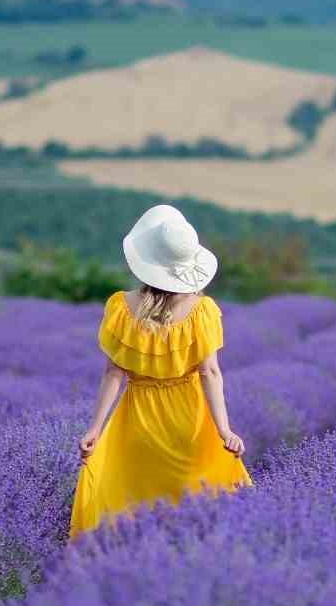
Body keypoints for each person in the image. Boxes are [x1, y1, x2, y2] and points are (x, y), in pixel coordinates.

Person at [67, 204, 251, 539]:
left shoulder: (121, 308)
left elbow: (113, 373)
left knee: (134, 504)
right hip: (189, 420)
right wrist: (224, 431)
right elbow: (210, 373)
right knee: (195, 508)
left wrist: (95, 429)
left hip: (138, 419)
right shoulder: (202, 312)